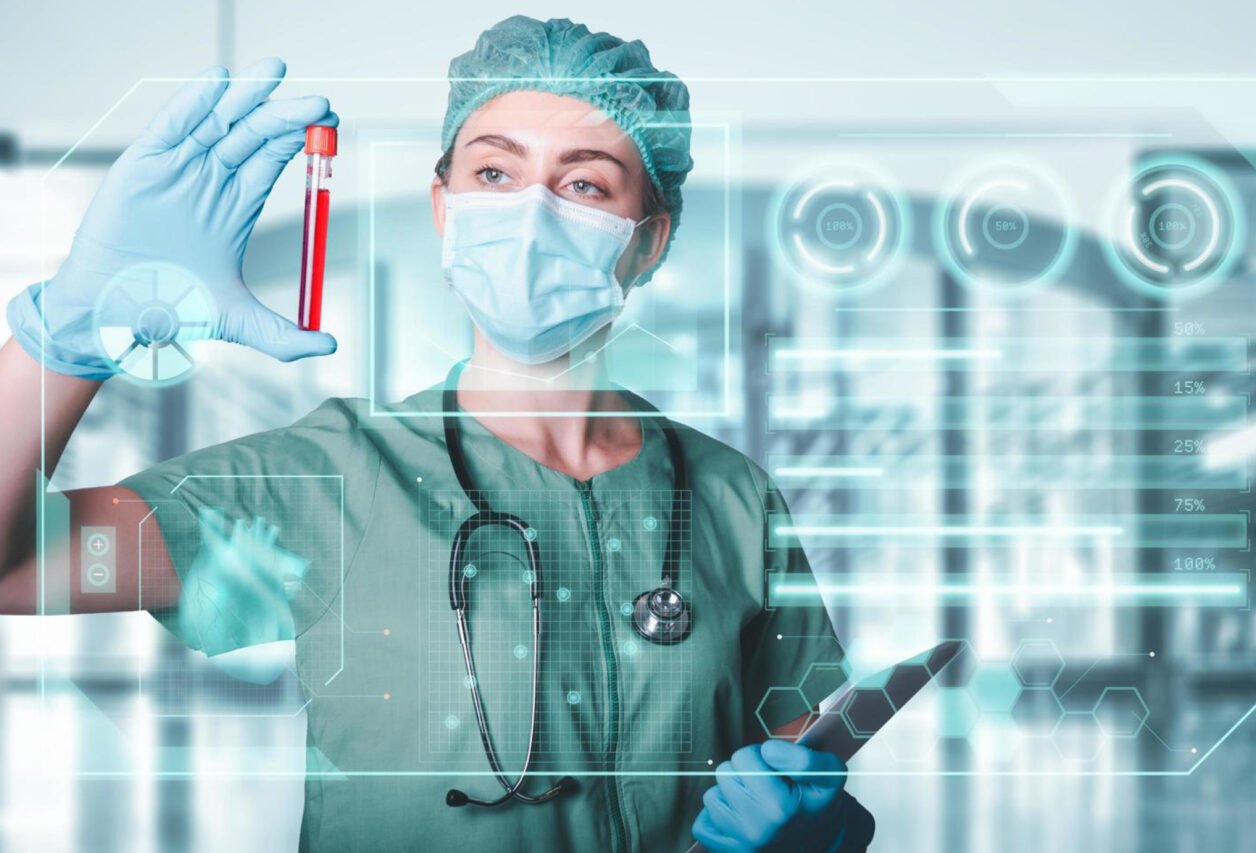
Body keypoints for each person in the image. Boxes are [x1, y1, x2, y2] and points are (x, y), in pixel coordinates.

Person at [0, 15, 874, 852]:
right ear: (444, 206)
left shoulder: (730, 496)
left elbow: (801, 765)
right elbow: (13, 569)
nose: (531, 213)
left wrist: (818, 832)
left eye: (583, 184)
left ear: (647, 242)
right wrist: (72, 338)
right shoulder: (332, 476)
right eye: (495, 174)